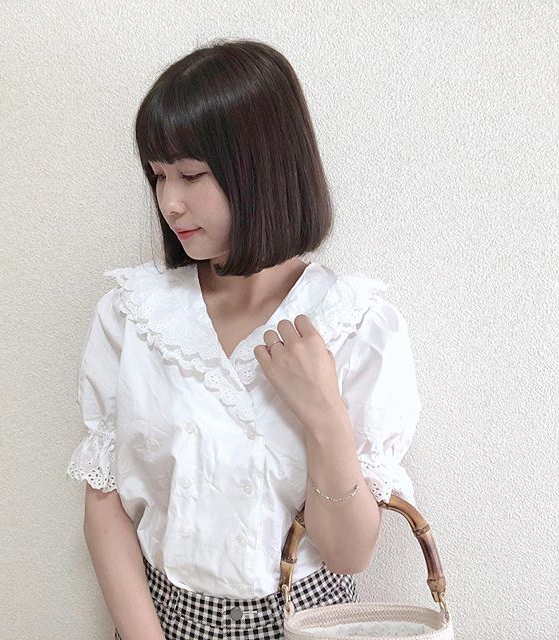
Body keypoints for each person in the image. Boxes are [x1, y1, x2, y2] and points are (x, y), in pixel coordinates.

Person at [66, 38, 422, 640]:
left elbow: (348, 555)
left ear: (264, 168)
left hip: (308, 622)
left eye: (191, 175)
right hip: (161, 621)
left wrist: (324, 414)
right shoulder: (134, 314)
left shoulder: (354, 324)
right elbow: (106, 500)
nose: (170, 202)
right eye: (158, 176)